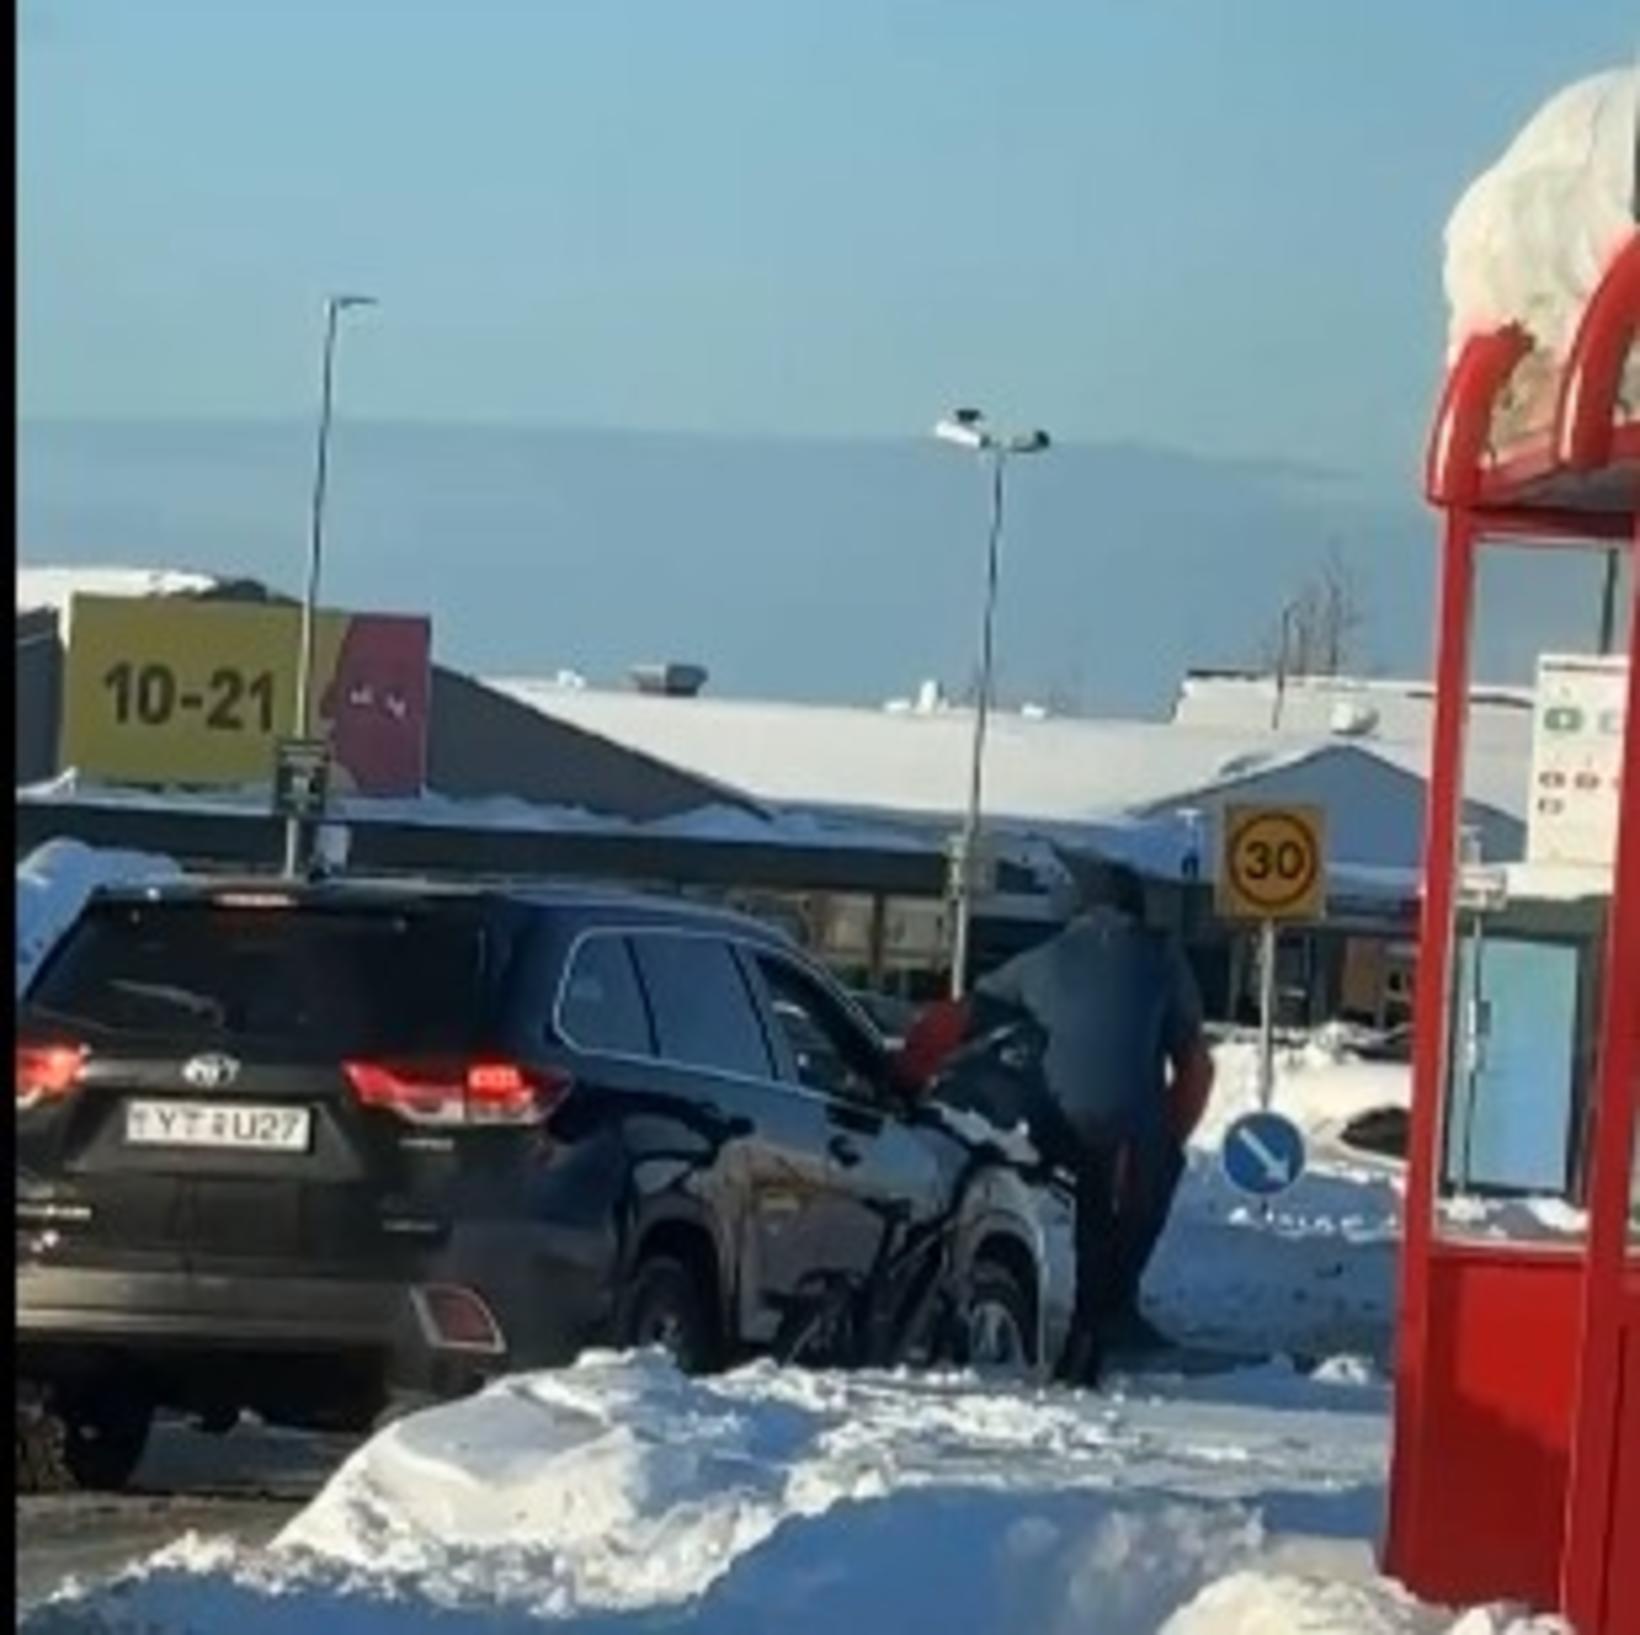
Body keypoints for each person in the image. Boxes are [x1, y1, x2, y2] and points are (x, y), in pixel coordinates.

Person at [974, 857, 1213, 1382]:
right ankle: (1111, 1309)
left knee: (1067, 1209)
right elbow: (1194, 1063)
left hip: (1053, 1125)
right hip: (1131, 1127)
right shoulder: (1161, 958)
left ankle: (1068, 1312)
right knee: (1140, 1191)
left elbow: (973, 1011)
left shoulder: (1043, 959)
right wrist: (1168, 1139)